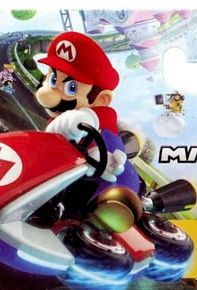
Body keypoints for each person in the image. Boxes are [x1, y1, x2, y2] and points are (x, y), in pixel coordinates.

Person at [36, 31, 142, 232]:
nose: (49, 92)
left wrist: (77, 124)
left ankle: (97, 220)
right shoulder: (58, 120)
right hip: (60, 181)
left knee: (88, 211)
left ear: (101, 99)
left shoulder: (97, 116)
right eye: (52, 80)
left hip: (106, 188)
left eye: (71, 88)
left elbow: (88, 122)